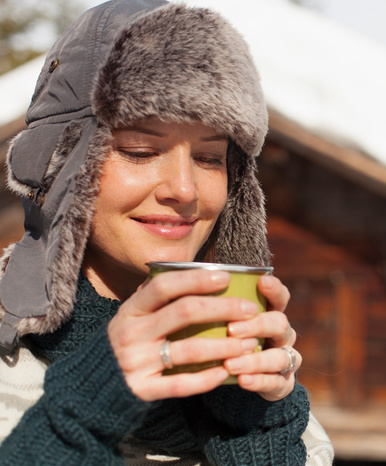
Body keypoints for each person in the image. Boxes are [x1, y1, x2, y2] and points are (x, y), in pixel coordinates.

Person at [0, 0, 333, 464]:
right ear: (61, 168)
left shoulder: (259, 390)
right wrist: (90, 403)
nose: (184, 190)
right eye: (139, 150)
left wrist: (253, 426)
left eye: (210, 158)